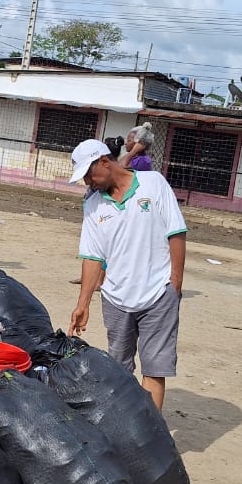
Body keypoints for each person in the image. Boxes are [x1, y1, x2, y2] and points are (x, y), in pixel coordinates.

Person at [68, 139, 187, 411]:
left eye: (89, 174)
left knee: (154, 368)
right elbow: (92, 257)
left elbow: (176, 231)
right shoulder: (93, 205)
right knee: (119, 370)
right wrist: (83, 303)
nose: (87, 182)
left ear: (104, 162)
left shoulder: (153, 184)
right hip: (116, 299)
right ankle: (126, 426)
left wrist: (175, 283)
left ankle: (150, 429)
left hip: (159, 293)